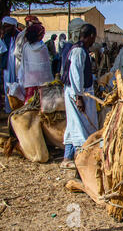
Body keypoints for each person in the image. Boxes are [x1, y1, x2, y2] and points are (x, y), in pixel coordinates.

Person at [60, 24, 99, 169]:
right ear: (90, 36)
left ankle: (67, 158)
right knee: (80, 125)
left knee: (73, 125)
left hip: (80, 91)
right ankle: (82, 161)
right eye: (94, 37)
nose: (94, 41)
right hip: (78, 93)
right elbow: (75, 75)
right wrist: (79, 97)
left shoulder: (80, 50)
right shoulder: (78, 51)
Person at [18, 24, 53, 102]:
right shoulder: (43, 46)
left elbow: (23, 63)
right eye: (42, 34)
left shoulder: (26, 46)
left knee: (30, 102)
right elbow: (46, 65)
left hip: (30, 79)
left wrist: (22, 77)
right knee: (43, 103)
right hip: (43, 80)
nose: (42, 36)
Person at [1, 17, 20, 113]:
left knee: (18, 84)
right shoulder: (5, 37)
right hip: (7, 65)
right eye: (4, 27)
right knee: (7, 86)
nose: (6, 29)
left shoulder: (19, 36)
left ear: (13, 26)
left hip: (17, 64)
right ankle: (9, 108)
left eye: (7, 26)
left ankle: (18, 107)